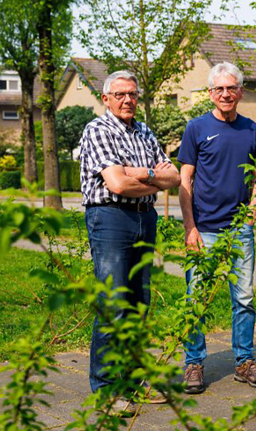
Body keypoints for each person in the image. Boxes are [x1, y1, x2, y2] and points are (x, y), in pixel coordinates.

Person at [80, 71, 181, 413]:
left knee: (139, 302)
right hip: (111, 218)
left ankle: (134, 380)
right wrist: (152, 178)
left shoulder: (144, 131)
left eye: (133, 94)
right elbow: (117, 186)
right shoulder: (98, 130)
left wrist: (139, 172)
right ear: (106, 99)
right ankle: (107, 389)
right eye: (120, 94)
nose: (128, 100)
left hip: (144, 218)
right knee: (114, 302)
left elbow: (173, 177)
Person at [177, 62, 256, 394]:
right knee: (196, 298)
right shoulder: (196, 128)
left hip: (239, 230)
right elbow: (185, 179)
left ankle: (244, 361)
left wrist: (253, 210)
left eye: (231, 88)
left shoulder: (250, 129)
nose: (226, 94)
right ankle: (193, 363)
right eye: (219, 88)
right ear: (210, 93)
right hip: (203, 228)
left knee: (244, 298)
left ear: (241, 92)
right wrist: (190, 227)